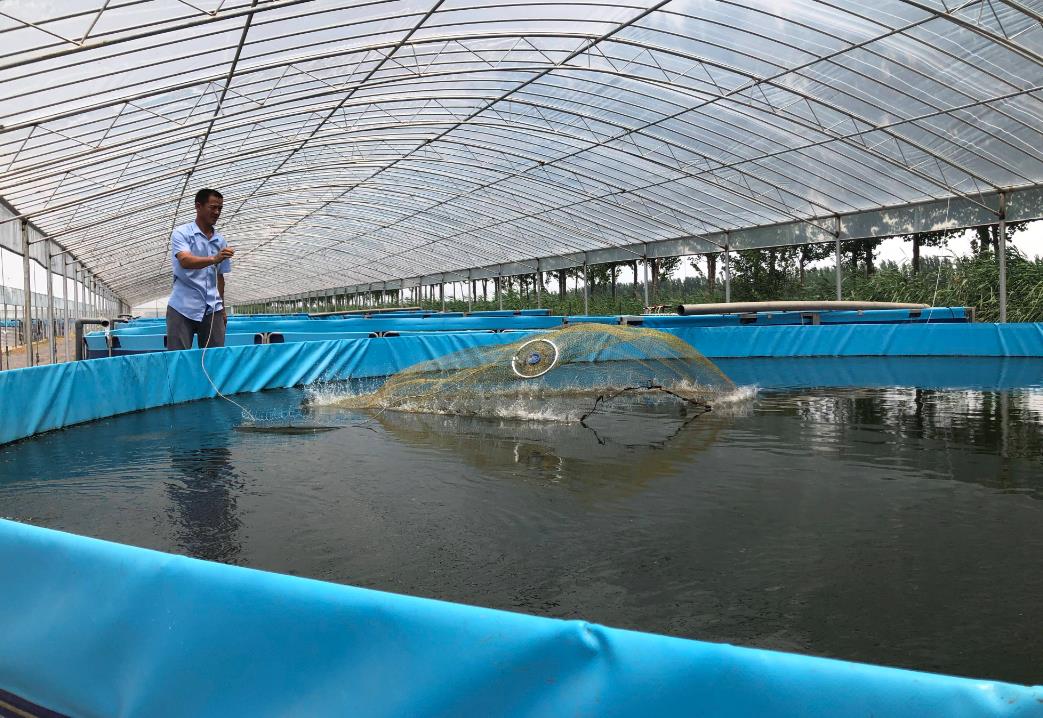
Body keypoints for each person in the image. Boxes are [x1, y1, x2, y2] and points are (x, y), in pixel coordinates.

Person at [166, 188, 235, 350]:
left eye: (220, 208)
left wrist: (222, 308)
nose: (217, 212)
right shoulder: (181, 233)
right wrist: (214, 258)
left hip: (213, 308)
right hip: (182, 307)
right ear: (198, 206)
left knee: (214, 359)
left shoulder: (220, 240)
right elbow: (185, 260)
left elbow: (219, 277)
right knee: (178, 358)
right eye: (213, 207)